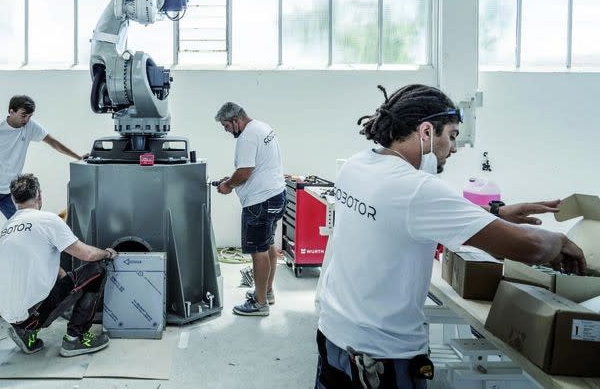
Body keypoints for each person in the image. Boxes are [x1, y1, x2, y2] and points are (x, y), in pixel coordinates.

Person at [315, 84, 586, 389]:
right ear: (427, 132)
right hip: (383, 357)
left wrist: (495, 214)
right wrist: (559, 241)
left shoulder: (357, 165)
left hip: (334, 336)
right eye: (453, 135)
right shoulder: (416, 189)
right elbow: (531, 247)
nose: (454, 148)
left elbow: (409, 213)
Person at [0, 173, 118, 356]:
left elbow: (41, 263)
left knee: (68, 279)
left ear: (14, 199)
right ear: (38, 194)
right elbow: (87, 254)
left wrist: (70, 285)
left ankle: (25, 332)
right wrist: (108, 253)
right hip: (34, 316)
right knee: (98, 268)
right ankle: (75, 339)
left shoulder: (8, 226)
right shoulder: (48, 220)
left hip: (10, 315)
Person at [0, 95, 84, 255]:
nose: (27, 119)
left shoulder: (30, 126)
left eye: (30, 116)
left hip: (10, 191)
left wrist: (78, 157)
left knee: (29, 225)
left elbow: (54, 143)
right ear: (11, 111)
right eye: (24, 115)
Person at [214, 102, 286, 317]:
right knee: (268, 245)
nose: (226, 130)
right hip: (276, 196)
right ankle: (267, 292)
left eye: (226, 125)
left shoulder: (246, 137)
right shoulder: (262, 127)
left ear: (236, 120)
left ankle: (260, 303)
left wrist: (228, 185)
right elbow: (256, 167)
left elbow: (245, 172)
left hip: (260, 203)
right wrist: (232, 178)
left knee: (258, 252)